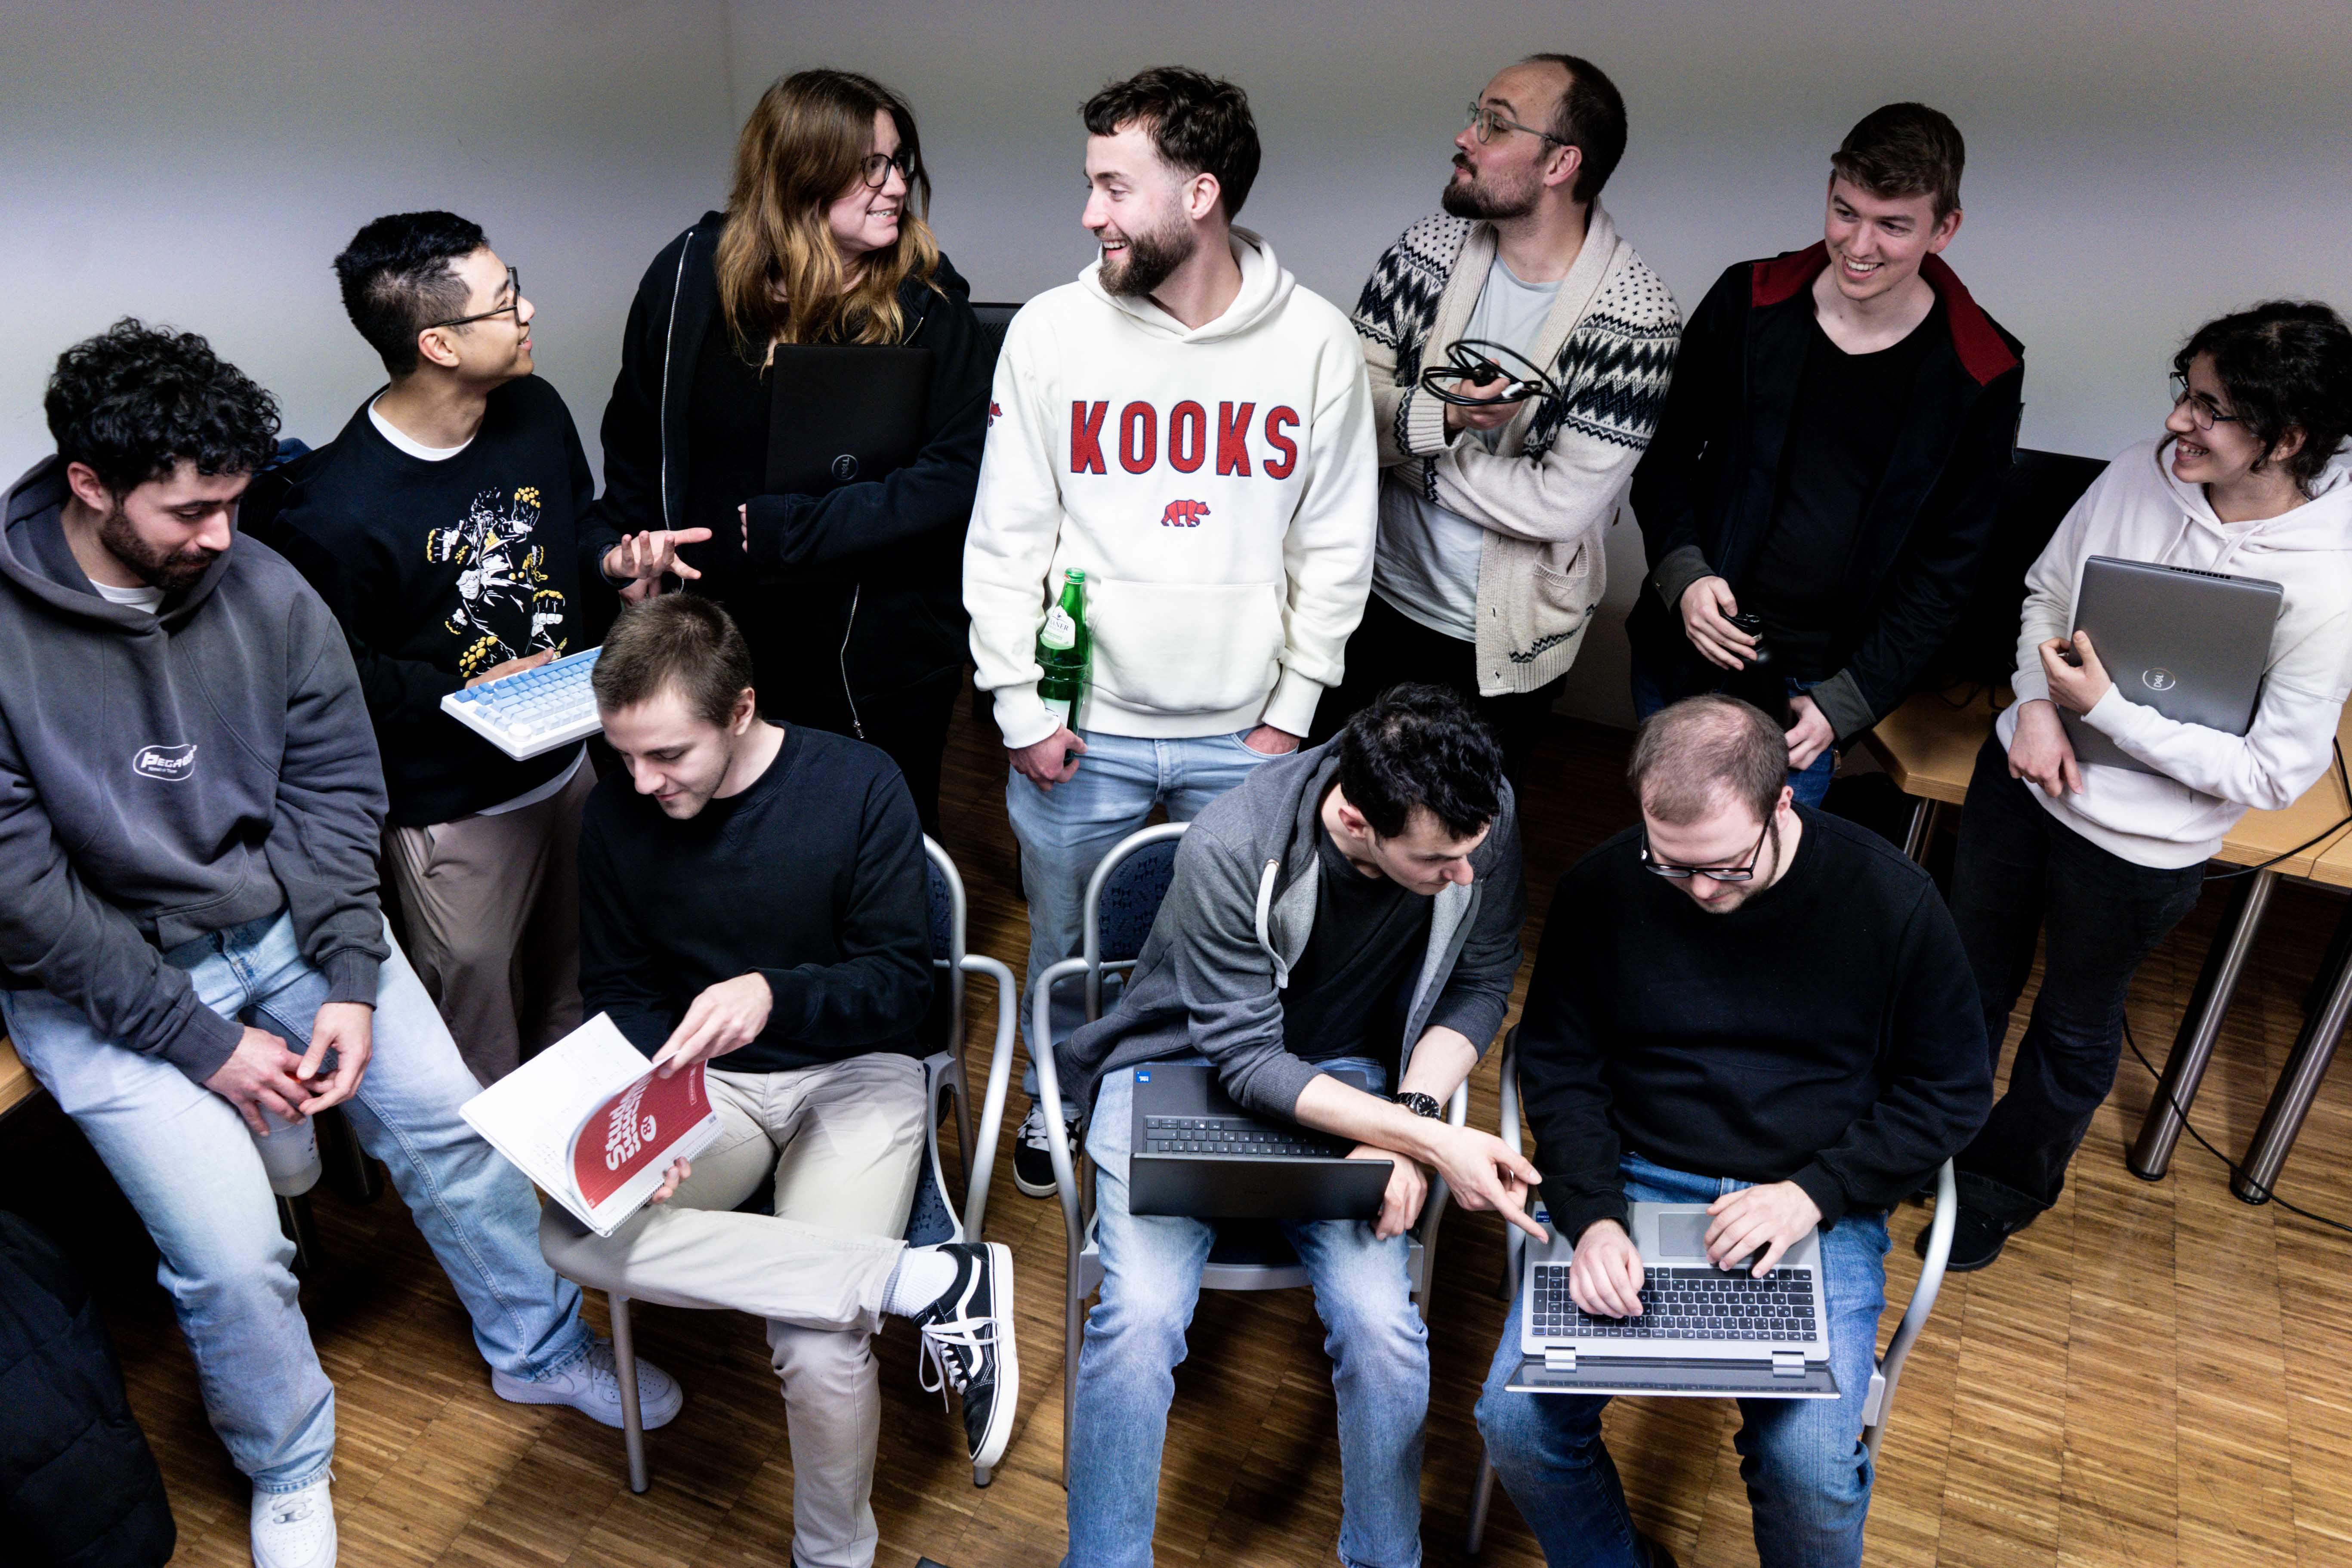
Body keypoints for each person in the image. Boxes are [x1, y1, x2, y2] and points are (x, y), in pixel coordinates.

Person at [0, 321, 681, 1568]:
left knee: (452, 1128)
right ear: (89, 485)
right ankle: (288, 1463)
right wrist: (201, 1043)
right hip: (102, 977)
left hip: (282, 925)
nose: (224, 536)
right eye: (191, 510)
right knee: (231, 1257)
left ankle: (537, 1349)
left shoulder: (262, 587)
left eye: (234, 502)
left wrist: (353, 978)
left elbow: (332, 789)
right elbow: (22, 895)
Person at [965, 65, 1378, 1198]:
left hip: (1243, 736)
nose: (1088, 213)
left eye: (1114, 186)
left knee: (1228, 951)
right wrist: (1019, 706)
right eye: (1090, 183)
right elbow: (1004, 540)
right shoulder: (1052, 332)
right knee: (1067, 946)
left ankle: (1180, 1111)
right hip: (1079, 730)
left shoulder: (1315, 343)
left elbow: (1336, 548)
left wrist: (1290, 713)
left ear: (1200, 195)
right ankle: (1060, 1100)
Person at [540, 594, 1018, 1564]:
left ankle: (832, 1556)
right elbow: (621, 992)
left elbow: (903, 989)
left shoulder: (858, 784)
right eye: (624, 755)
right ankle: (922, 1280)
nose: (641, 781)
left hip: (856, 1071)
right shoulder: (617, 814)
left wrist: (775, 993)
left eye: (667, 755)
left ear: (742, 710)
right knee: (571, 1227)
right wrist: (648, 1114)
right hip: (703, 1083)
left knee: (815, 1337)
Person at [1477, 695, 1990, 1568]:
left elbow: (1952, 1091)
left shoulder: (1892, 899)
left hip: (1811, 1197)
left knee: (1811, 1473)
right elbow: (1560, 1068)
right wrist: (1592, 1213)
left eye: (1725, 865)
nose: (1703, 891)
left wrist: (1813, 1194)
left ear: (1782, 802)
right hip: (1633, 1177)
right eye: (1672, 865)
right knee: (1516, 1426)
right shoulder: (1602, 888)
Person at [1053, 684, 1543, 1568]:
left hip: (1348, 1078)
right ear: (1355, 820)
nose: (1465, 875)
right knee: (1138, 1322)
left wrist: (1409, 1118)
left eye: (1470, 853)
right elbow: (1246, 1060)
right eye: (1437, 861)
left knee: (1382, 1331)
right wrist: (1429, 1143)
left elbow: (1480, 982)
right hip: (1179, 1067)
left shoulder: (1480, 814)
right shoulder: (1231, 843)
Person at [1941, 302, 2352, 1270]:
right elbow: (2047, 592)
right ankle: (1922, 1143)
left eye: (2210, 410)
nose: (2178, 422)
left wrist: (2109, 712)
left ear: (2286, 440)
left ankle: (2001, 1188)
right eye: (2185, 393)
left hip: (2137, 851)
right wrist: (2037, 706)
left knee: (2072, 1027)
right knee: (1962, 981)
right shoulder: (2138, 471)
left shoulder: (2330, 583)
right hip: (2022, 779)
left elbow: (2273, 773)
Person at [259, 210, 692, 1085]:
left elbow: (575, 524)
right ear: (440, 345)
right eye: (504, 302)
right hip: (454, 812)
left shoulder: (533, 408)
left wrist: (611, 564)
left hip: (571, 765)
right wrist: (467, 696)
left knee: (577, 998)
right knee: (479, 1043)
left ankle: (581, 1156)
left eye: (514, 286)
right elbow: (341, 679)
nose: (527, 311)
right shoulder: (336, 510)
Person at [596, 68, 988, 833]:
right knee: (731, 849)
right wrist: (629, 558)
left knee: (874, 848)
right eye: (869, 166)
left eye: (899, 162)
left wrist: (801, 529)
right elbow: (636, 444)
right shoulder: (687, 276)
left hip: (874, 660)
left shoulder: (927, 301)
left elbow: (958, 473)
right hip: (714, 644)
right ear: (800, 173)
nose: (895, 185)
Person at [1628, 103, 2024, 808]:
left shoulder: (1983, 369)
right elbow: (1663, 458)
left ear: (1944, 229)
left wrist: (1847, 702)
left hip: (1812, 691)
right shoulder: (1746, 300)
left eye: (1892, 225)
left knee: (1766, 866)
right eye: (1845, 213)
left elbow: (1948, 569)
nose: (1858, 245)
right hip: (1688, 647)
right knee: (1665, 843)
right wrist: (1684, 576)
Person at [1325, 53, 1680, 783]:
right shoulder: (1424, 249)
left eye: (1495, 123)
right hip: (1368, 600)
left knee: (1455, 834)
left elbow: (1560, 505)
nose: (1466, 137)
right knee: (1329, 810)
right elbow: (1341, 415)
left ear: (1560, 163)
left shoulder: (1637, 322)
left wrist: (1412, 453)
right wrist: (1446, 418)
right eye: (1475, 114)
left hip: (1499, 647)